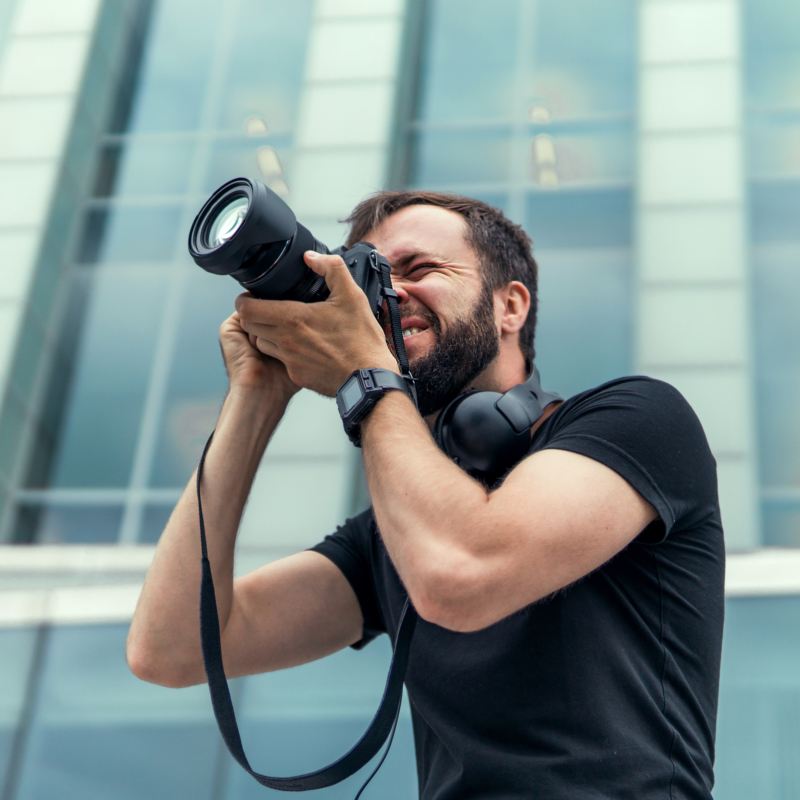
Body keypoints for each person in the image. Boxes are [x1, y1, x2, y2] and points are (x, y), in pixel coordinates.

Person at [127, 191, 725, 800]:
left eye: (419, 269)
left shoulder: (637, 419)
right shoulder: (392, 535)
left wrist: (363, 371)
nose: (390, 295)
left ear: (510, 305)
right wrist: (256, 396)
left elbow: (461, 573)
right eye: (373, 279)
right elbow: (170, 647)